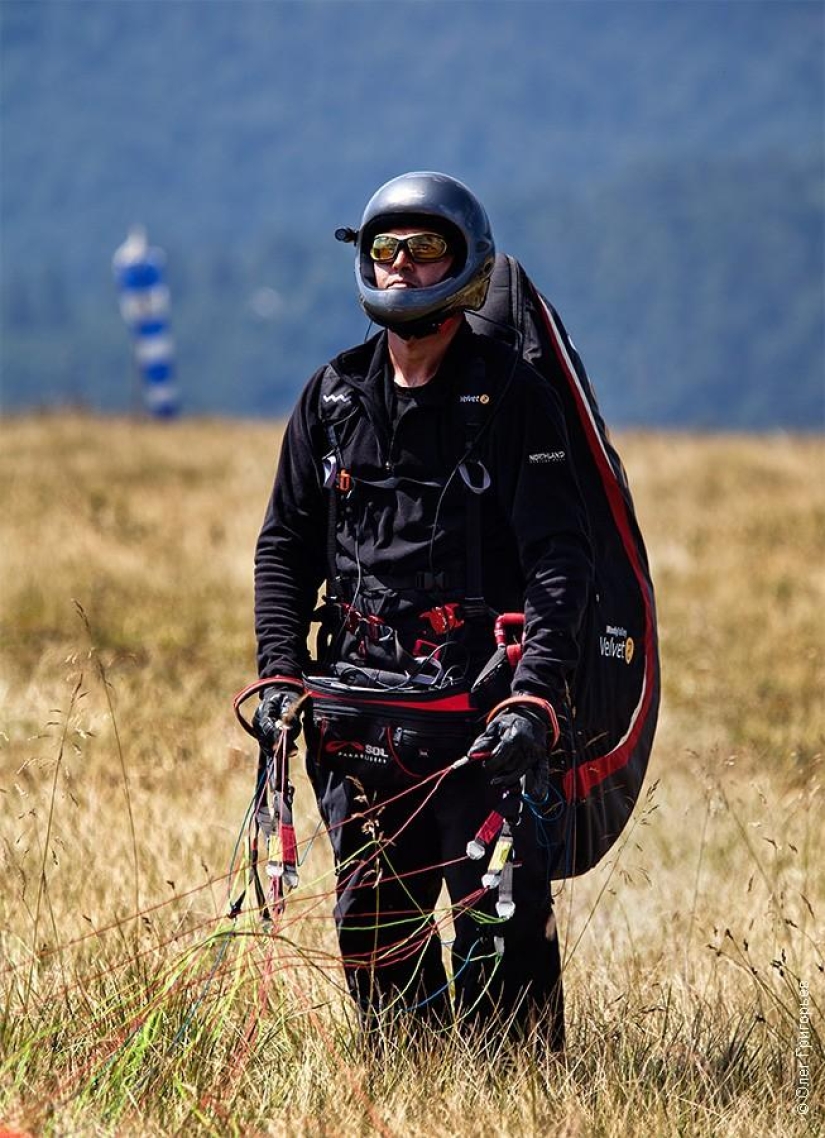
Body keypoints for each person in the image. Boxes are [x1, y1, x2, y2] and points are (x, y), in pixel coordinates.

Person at [252, 171, 593, 1048]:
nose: (401, 264)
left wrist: (535, 695)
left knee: (499, 930)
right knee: (375, 932)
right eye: (384, 248)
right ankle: (412, 1085)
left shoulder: (514, 399)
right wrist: (280, 674)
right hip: (360, 720)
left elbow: (560, 559)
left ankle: (514, 1093)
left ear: (465, 262)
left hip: (483, 719)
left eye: (424, 246)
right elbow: (284, 546)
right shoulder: (332, 399)